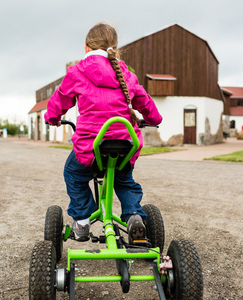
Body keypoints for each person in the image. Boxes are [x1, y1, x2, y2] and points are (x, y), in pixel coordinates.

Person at [45, 22, 162, 243]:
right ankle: (134, 216)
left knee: (73, 174)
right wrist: (154, 119)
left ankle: (82, 220)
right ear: (114, 47)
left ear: (86, 47)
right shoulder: (125, 73)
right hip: (124, 144)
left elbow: (60, 98)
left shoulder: (78, 71)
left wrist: (52, 118)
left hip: (91, 147)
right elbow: (144, 100)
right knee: (124, 180)